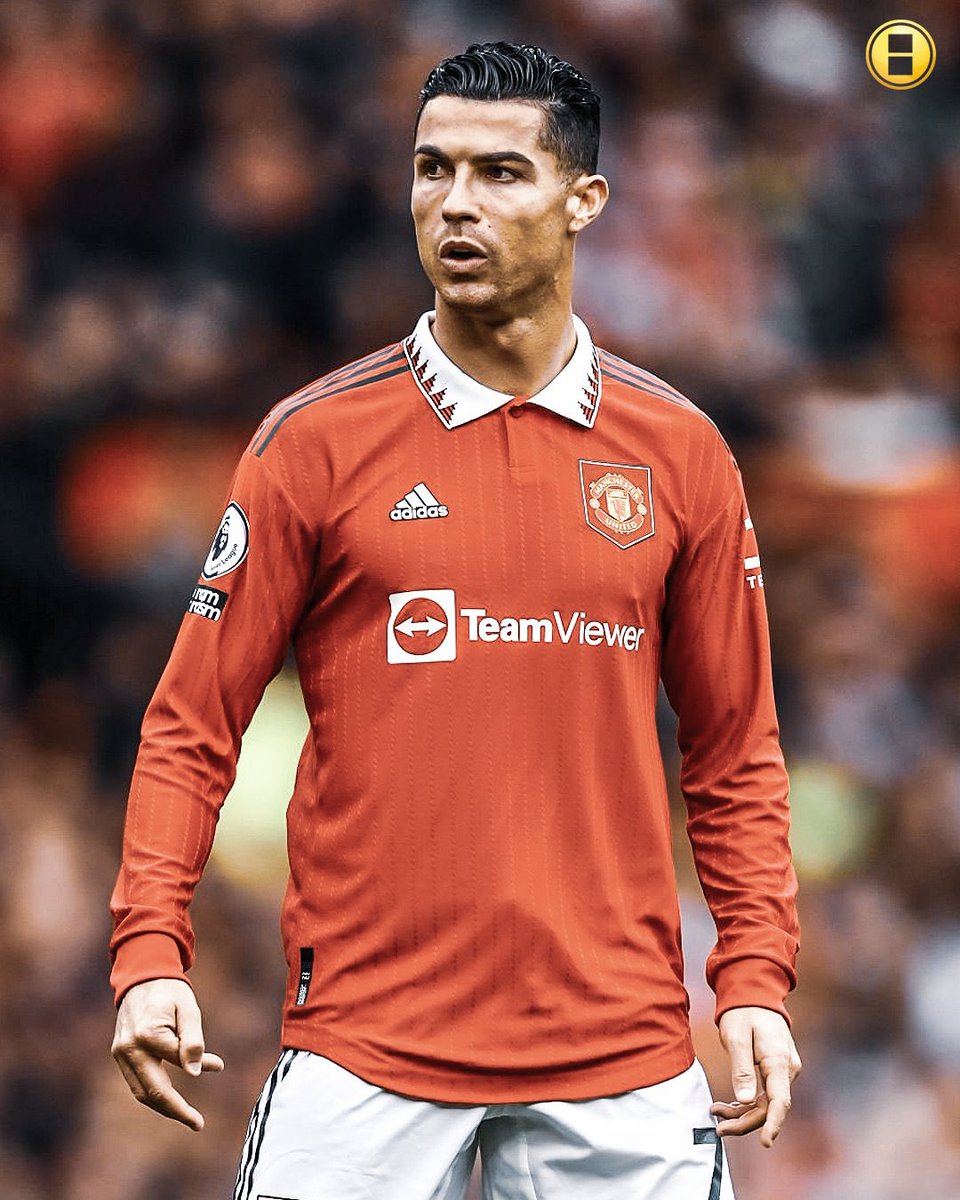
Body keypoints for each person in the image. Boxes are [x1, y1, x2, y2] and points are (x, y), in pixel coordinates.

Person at [110, 41, 800, 1200]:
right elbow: (191, 724)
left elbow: (735, 752)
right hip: (364, 1048)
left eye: (500, 173)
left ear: (585, 201)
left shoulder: (681, 453)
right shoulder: (313, 444)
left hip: (621, 1057)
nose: (456, 203)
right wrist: (147, 952)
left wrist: (756, 979)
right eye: (434, 169)